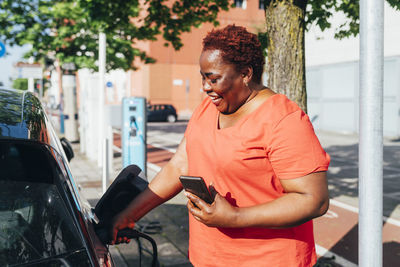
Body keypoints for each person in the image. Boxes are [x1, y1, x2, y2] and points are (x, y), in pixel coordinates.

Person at [111, 24, 330, 267]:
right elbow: (179, 166)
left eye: (213, 78)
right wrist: (129, 215)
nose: (205, 87)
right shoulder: (208, 109)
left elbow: (314, 200)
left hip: (268, 260)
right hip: (208, 258)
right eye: (203, 77)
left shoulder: (283, 120)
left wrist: (236, 217)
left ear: (246, 74)